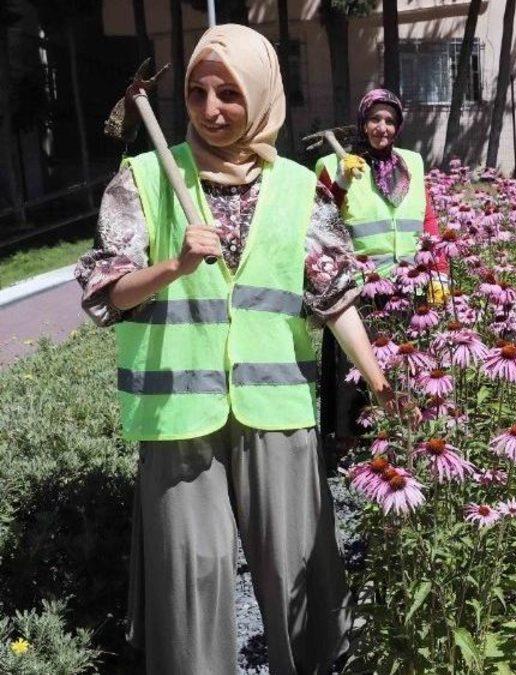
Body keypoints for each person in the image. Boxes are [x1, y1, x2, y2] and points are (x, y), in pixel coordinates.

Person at [74, 24, 390, 673]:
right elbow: (106, 295)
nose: (210, 109)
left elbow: (335, 298)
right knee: (193, 577)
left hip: (277, 412)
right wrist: (173, 265)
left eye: (229, 93)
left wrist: (381, 381)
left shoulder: (300, 188)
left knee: (299, 572)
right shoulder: (142, 179)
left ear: (263, 94)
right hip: (177, 417)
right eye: (197, 92)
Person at [313, 88, 444, 456]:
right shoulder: (334, 164)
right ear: (362, 123)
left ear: (398, 126)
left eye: (389, 120)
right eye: (374, 119)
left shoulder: (412, 162)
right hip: (359, 286)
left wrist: (439, 272)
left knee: (406, 365)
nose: (381, 128)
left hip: (408, 283)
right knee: (354, 370)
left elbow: (428, 217)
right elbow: (319, 218)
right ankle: (350, 446)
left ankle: (404, 439)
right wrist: (340, 182)